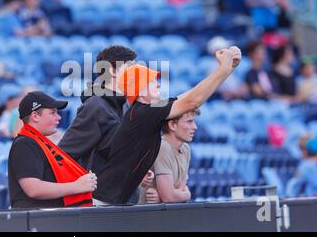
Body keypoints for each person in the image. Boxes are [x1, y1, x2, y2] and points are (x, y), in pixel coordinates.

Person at [92, 46, 242, 205]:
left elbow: (186, 99)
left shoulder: (145, 111)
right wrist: (223, 68)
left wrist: (228, 69)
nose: (157, 85)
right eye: (151, 82)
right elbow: (193, 101)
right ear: (140, 91)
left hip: (111, 202)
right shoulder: (144, 113)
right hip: (103, 203)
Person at [8, 91, 97, 209]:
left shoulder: (36, 142)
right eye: (52, 113)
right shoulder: (24, 143)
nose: (58, 117)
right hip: (35, 222)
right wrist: (77, 186)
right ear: (35, 116)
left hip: (45, 219)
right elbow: (33, 189)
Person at [59, 46, 137, 174]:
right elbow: (64, 153)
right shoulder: (96, 105)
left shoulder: (126, 106)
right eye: (131, 68)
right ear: (113, 71)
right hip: (97, 192)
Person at [140, 109, 199, 204]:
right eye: (189, 122)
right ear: (172, 125)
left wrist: (183, 194)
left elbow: (179, 189)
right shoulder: (162, 146)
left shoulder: (186, 149)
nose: (195, 127)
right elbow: (169, 197)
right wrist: (187, 194)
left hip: (166, 213)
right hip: (146, 215)